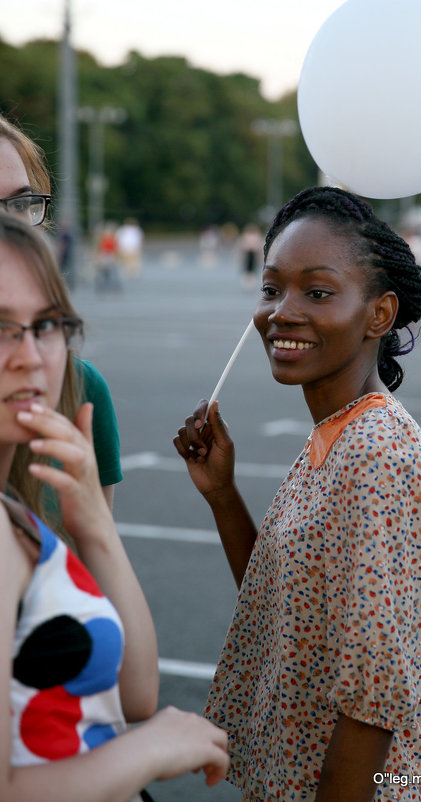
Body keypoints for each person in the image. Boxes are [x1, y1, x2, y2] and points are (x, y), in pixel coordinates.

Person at [174, 186, 421, 802]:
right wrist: (223, 495)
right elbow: (287, 614)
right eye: (272, 289)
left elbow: (372, 700)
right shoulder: (337, 433)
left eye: (317, 292)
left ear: (379, 314)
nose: (282, 312)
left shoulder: (380, 451)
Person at [0, 213, 229, 801]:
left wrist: (94, 524)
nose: (29, 355)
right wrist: (151, 750)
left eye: (45, 324)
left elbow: (134, 695)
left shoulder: (16, 510)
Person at [0, 112, 122, 509]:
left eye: (19, 204)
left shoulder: (80, 390)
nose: (10, 228)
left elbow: (93, 567)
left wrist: (96, 536)